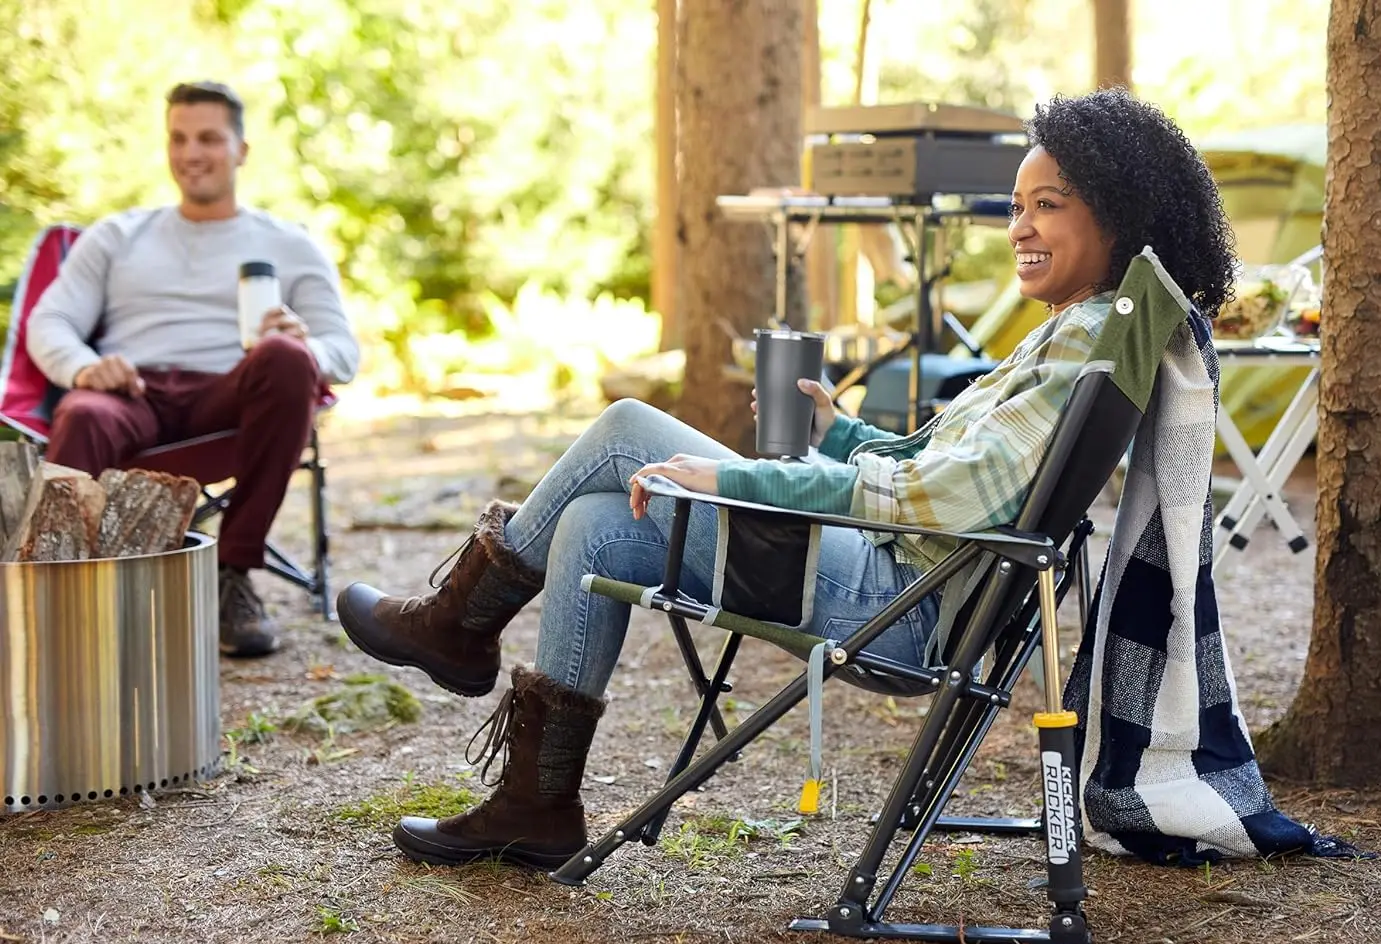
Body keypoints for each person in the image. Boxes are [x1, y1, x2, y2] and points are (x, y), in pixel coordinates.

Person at [336, 88, 1238, 870]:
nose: (1020, 228)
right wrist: (841, 435)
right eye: (1015, 206)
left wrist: (749, 479)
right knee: (599, 526)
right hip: (888, 575)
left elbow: (951, 500)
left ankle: (458, 624)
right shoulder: (1077, 331)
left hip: (891, 604)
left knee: (621, 430)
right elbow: (949, 470)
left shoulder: (1085, 342)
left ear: (1116, 213)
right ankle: (538, 808)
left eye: (1049, 204)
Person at [27, 81, 360, 658]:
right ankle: (53, 596)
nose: (191, 153)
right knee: (80, 409)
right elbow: (49, 319)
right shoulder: (116, 235)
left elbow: (342, 351)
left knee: (283, 356)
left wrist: (306, 346)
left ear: (242, 150)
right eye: (178, 139)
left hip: (234, 398)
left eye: (208, 138)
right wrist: (85, 367)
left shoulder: (288, 242)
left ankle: (232, 572)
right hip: (133, 392)